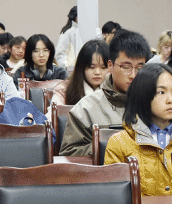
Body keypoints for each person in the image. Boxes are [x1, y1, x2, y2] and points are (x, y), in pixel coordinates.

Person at [104, 63, 172, 196]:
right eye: (161, 92)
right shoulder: (119, 143)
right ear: (142, 95)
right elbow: (115, 198)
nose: (170, 100)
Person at [60, 30, 149, 158]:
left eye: (140, 68)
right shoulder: (85, 109)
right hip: (105, 170)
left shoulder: (155, 103)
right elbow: (69, 155)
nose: (133, 75)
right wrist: (110, 147)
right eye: (126, 67)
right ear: (110, 66)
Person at [52, 39, 109, 107]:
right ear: (81, 67)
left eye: (103, 67)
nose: (97, 72)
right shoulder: (65, 89)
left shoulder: (115, 90)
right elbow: (54, 112)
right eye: (92, 67)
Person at [56, 6, 80, 71]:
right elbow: (60, 54)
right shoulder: (68, 32)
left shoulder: (81, 31)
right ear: (76, 18)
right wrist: (67, 68)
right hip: (71, 70)